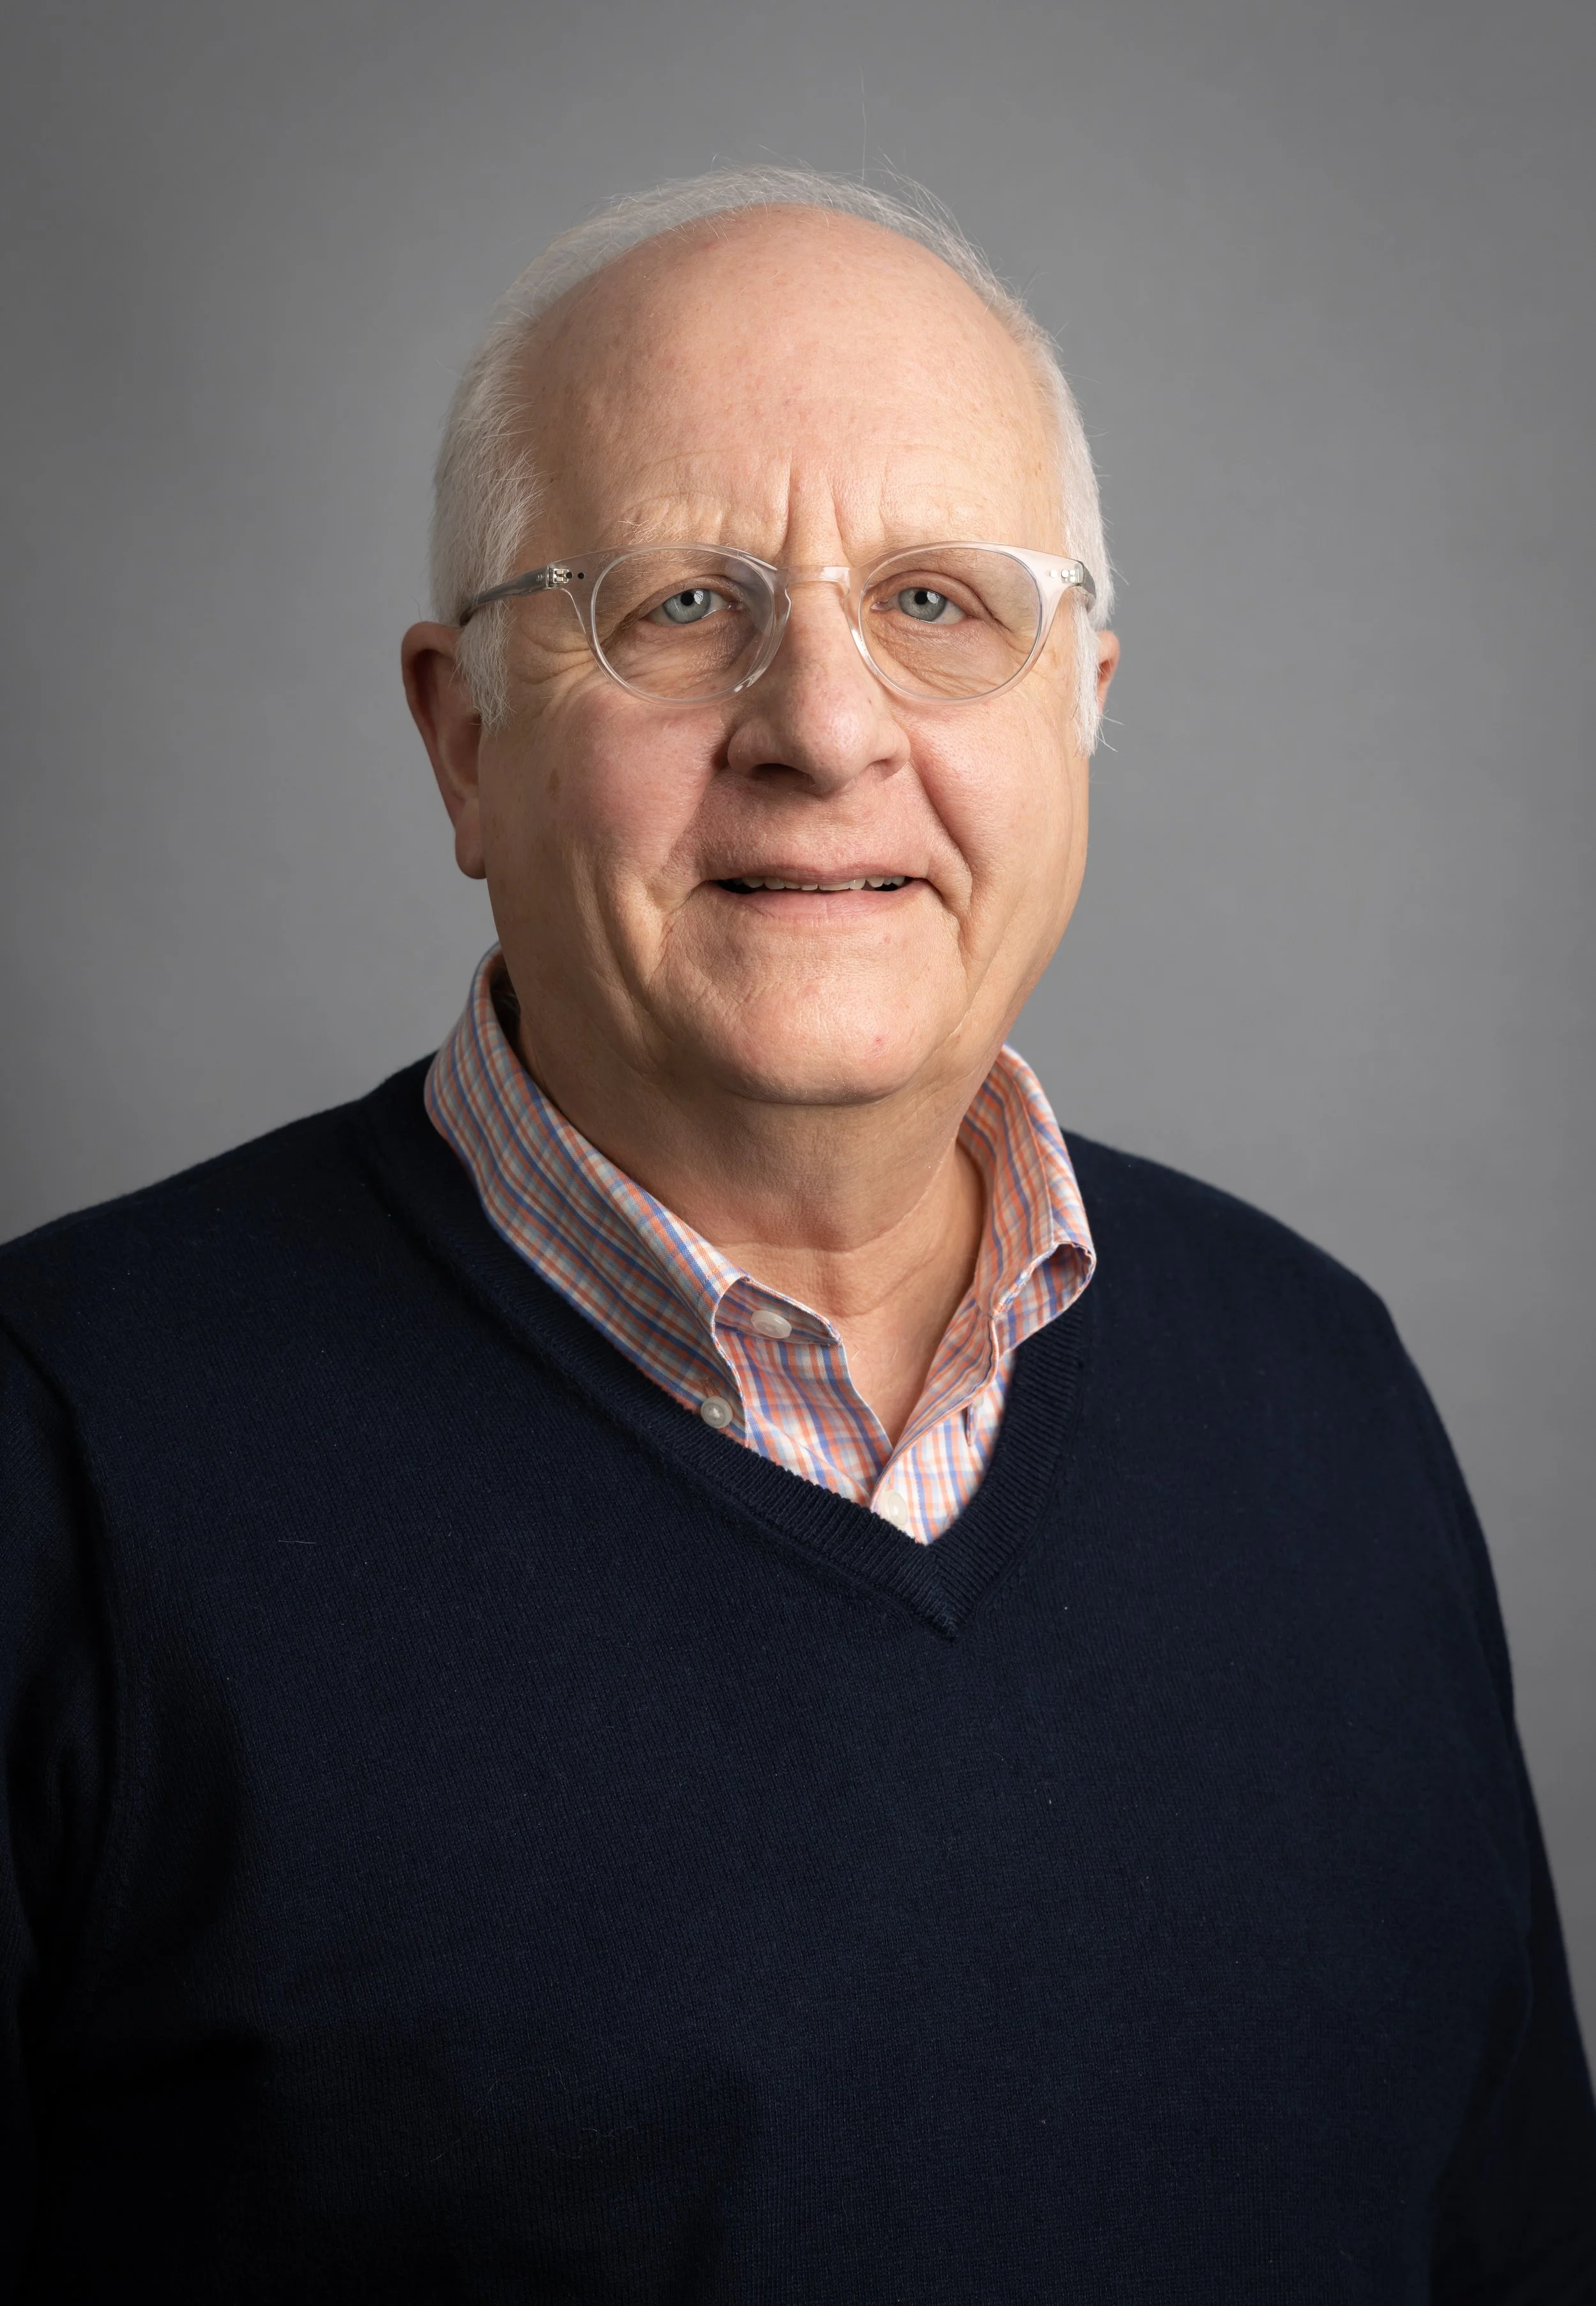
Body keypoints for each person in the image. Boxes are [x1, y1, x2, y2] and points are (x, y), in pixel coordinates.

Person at [1, 169, 1592, 2302]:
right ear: (463, 739)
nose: (825, 729)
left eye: (941, 603)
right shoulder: (64, 1458)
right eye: (679, 604)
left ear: (1083, 703)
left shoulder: (1327, 1394)